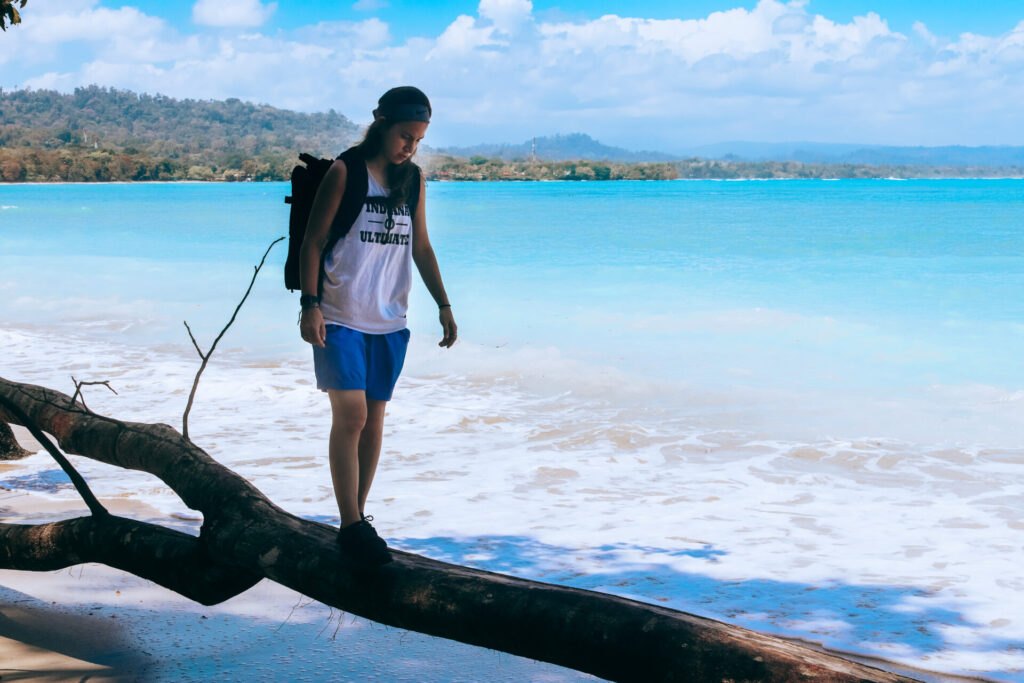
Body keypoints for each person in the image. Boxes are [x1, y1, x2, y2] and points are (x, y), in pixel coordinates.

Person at [298, 86, 456, 566]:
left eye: (418, 139)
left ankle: (359, 519)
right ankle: (349, 525)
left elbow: (422, 248)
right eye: (405, 135)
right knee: (351, 419)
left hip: (391, 320)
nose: (410, 146)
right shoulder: (347, 171)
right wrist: (310, 305)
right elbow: (313, 240)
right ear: (382, 124)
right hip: (342, 314)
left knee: (373, 425)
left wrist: (444, 305)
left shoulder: (414, 181)